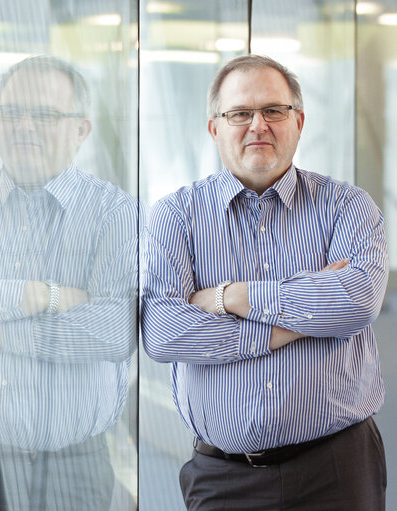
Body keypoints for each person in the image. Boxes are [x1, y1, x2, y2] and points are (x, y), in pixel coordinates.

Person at [142, 54, 388, 510]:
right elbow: (162, 331)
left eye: (273, 111)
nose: (258, 125)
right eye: (240, 113)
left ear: (298, 122)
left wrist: (233, 296)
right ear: (215, 128)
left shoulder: (347, 206)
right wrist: (289, 322)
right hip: (222, 477)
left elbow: (355, 302)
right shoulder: (176, 215)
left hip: (336, 468)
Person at [0, 55, 138, 510]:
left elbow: (114, 331)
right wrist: (47, 298)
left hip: (74, 468)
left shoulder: (113, 213)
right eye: (12, 113)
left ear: (81, 130)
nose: (24, 127)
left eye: (45, 115)